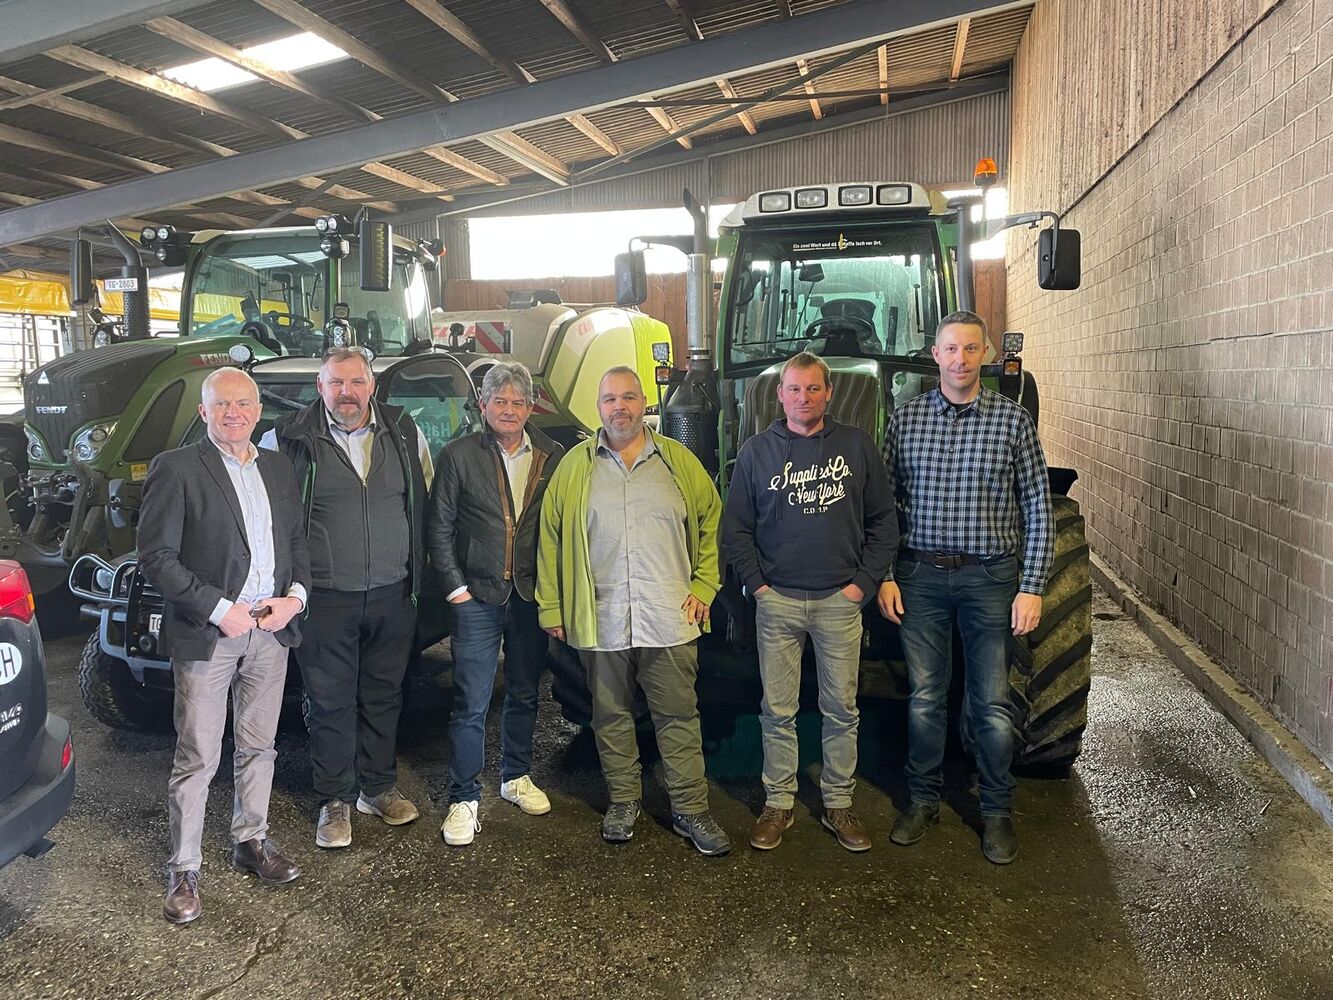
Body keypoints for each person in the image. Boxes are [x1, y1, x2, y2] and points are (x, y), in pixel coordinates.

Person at [879, 310, 1053, 864]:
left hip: (990, 578)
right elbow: (882, 506)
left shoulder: (1012, 421)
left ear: (985, 355)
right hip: (921, 577)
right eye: (950, 349)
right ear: (935, 355)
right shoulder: (905, 421)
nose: (960, 359)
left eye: (970, 349)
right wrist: (886, 574)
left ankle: (996, 810)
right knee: (925, 698)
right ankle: (923, 801)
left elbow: (1038, 505)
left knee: (992, 704)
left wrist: (1032, 585)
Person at [138, 366, 310, 925]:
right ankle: (184, 868)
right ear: (203, 412)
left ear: (258, 412)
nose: (234, 413)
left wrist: (295, 599)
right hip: (210, 633)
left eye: (243, 404)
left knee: (260, 746)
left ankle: (250, 840)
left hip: (270, 630)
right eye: (222, 404)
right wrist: (218, 608)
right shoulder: (177, 468)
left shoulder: (278, 468)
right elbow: (156, 558)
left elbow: (297, 542)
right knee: (198, 755)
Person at [536, 367, 729, 856]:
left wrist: (705, 585)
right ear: (598, 407)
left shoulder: (678, 462)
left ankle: (690, 809)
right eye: (609, 399)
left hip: (669, 616)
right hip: (600, 617)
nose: (619, 407)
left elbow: (712, 522)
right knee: (610, 716)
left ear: (644, 403)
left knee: (678, 716)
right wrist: (553, 606)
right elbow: (550, 539)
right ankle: (624, 801)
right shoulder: (574, 468)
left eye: (628, 397)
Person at [723, 352, 898, 853]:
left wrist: (860, 587)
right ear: (780, 395)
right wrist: (759, 588)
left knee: (841, 709)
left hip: (839, 602)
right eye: (795, 389)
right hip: (777, 602)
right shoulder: (756, 452)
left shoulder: (857, 446)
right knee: (778, 709)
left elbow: (883, 522)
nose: (804, 398)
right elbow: (736, 529)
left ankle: (838, 803)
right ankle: (778, 803)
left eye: (813, 389)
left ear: (829, 393)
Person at [262, 347, 433, 849]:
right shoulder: (285, 438)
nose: (347, 393)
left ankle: (377, 789)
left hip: (392, 591)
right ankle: (335, 799)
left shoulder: (405, 432)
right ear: (320, 387)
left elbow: (421, 501)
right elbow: (268, 516)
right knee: (330, 701)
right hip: (324, 596)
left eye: (356, 382)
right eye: (336, 383)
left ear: (372, 385)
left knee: (384, 695)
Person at [427, 361, 565, 846]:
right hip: (476, 598)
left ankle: (515, 776)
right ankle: (463, 797)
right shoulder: (458, 455)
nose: (509, 410)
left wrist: (553, 593)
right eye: (499, 401)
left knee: (525, 693)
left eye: (517, 402)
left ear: (531, 407)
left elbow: (559, 527)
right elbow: (439, 527)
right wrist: (456, 590)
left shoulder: (552, 454)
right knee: (471, 702)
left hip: (529, 597)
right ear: (482, 405)